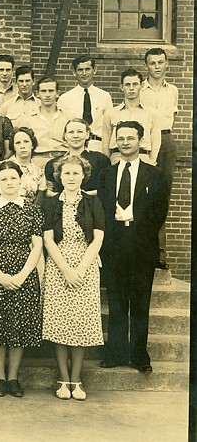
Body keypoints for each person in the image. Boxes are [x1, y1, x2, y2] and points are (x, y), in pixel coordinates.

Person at [97, 120, 168, 375]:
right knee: (117, 303)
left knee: (140, 303)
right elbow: (102, 209)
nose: (125, 142)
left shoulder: (156, 175)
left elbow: (159, 212)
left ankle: (139, 355)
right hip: (114, 246)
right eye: (121, 138)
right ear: (115, 141)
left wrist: (134, 223)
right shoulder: (106, 173)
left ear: (141, 141)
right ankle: (115, 353)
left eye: (131, 138)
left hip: (141, 246)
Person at [0, 160, 44, 398]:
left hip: (25, 271)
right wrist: (0, 276)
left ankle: (13, 377)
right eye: (3, 179)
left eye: (12, 178)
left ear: (20, 180)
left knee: (19, 325)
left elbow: (37, 245)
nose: (8, 183)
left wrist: (23, 275)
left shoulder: (33, 209)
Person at [41, 155, 105, 401]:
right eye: (66, 173)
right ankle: (62, 378)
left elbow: (98, 237)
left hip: (85, 264)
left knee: (80, 323)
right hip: (58, 264)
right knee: (59, 322)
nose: (71, 178)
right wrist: (66, 269)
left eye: (75, 174)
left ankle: (76, 380)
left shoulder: (92, 201)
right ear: (59, 176)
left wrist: (80, 269)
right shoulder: (51, 203)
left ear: (83, 176)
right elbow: (48, 238)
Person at [140, 47, 178, 269]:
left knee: (163, 196)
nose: (156, 66)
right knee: (144, 195)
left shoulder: (172, 90)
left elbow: (169, 119)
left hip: (166, 142)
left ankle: (160, 253)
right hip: (146, 143)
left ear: (166, 64)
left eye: (160, 62)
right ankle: (144, 249)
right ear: (146, 66)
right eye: (152, 63)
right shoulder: (140, 89)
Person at [102, 69, 161, 165]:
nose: (131, 88)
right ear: (121, 87)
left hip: (143, 157)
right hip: (117, 158)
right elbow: (105, 142)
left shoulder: (152, 114)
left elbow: (156, 141)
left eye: (135, 84)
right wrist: (110, 162)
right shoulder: (111, 113)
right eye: (127, 85)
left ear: (141, 86)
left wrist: (151, 161)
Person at [57, 55, 113, 153]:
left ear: (94, 70)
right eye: (80, 70)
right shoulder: (65, 99)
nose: (84, 73)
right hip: (74, 147)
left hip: (98, 146)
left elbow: (109, 127)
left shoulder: (104, 96)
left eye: (87, 69)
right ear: (74, 72)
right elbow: (62, 128)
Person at [44, 118, 110, 196]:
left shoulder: (101, 160)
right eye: (71, 132)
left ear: (87, 135)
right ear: (65, 136)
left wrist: (82, 196)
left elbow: (106, 189)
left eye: (80, 132)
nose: (75, 136)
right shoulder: (53, 164)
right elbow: (49, 193)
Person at [0, 127, 46, 205]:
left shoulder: (39, 172)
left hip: (29, 214)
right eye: (18, 143)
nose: (22, 146)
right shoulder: (2, 167)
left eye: (26, 142)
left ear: (32, 145)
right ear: (13, 147)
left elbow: (39, 200)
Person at [21, 77, 68, 169]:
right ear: (37, 94)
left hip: (63, 160)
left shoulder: (68, 117)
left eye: (51, 91)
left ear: (57, 93)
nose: (47, 95)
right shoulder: (28, 118)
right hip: (38, 160)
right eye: (43, 91)